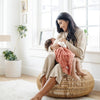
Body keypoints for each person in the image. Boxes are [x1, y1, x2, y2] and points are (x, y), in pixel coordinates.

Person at [31, 12, 87, 100]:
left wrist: (67, 43)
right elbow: (50, 50)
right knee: (50, 57)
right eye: (58, 24)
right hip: (60, 57)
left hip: (73, 60)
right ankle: (44, 85)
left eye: (61, 23)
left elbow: (80, 53)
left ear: (68, 21)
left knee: (58, 67)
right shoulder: (61, 34)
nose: (60, 26)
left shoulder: (80, 33)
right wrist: (52, 47)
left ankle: (39, 95)